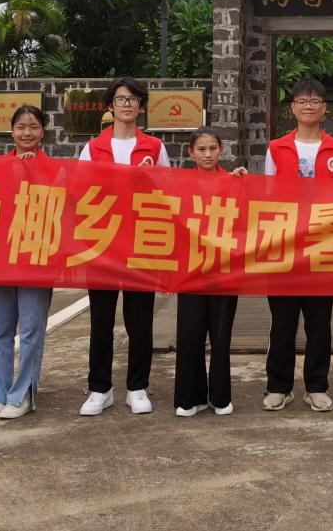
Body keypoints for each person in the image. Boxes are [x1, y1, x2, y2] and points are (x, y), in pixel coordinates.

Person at [78, 77, 169, 417]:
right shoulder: (93, 148)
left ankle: (137, 386)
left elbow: (169, 192)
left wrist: (150, 179)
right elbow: (81, 192)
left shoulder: (155, 148)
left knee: (139, 320)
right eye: (121, 99)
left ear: (141, 106)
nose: (127, 104)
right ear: (110, 106)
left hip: (140, 243)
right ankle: (99, 388)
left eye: (133, 99)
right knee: (101, 320)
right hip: (102, 243)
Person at [261, 78, 333, 412]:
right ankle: (278, 386)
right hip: (284, 246)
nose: (308, 106)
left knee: (319, 322)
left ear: (324, 109)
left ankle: (316, 386)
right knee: (282, 323)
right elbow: (267, 197)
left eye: (315, 101)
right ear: (293, 108)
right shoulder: (276, 148)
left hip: (322, 247)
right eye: (302, 101)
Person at [0, 104, 54, 420]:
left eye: (33, 127)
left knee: (30, 330)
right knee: (0, 330)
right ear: (12, 132)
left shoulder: (56, 169)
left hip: (36, 259)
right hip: (0, 258)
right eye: (21, 127)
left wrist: (35, 172)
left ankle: (23, 394)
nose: (27, 133)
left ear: (43, 132)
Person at [173, 127, 240, 417]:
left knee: (221, 336)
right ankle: (190, 398)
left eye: (213, 148)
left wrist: (246, 183)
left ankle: (220, 397)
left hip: (225, 270)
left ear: (221, 150)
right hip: (191, 270)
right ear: (191, 153)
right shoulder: (179, 184)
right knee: (190, 335)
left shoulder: (234, 182)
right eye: (201, 149)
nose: (208, 154)